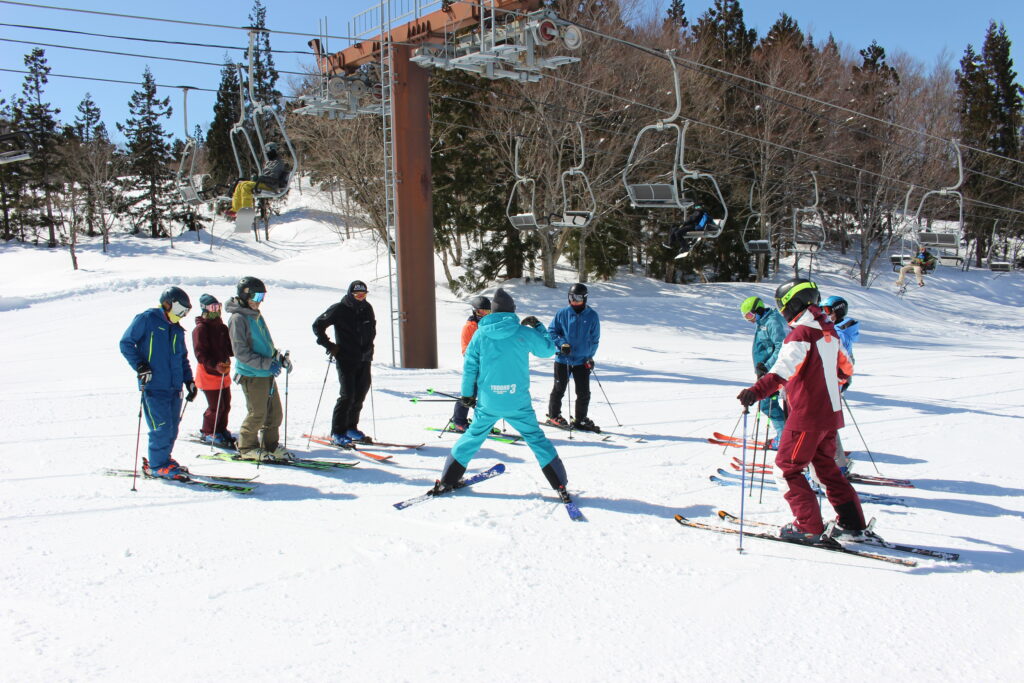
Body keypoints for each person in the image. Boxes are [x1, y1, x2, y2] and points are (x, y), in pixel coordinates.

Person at [736, 278, 867, 544]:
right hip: (829, 414)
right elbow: (846, 369)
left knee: (786, 469)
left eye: (782, 305)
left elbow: (781, 372)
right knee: (826, 470)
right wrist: (828, 385)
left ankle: (808, 526)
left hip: (807, 416)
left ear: (793, 304)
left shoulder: (801, 334)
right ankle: (852, 524)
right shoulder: (829, 331)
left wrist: (755, 391)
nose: (781, 311)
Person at [432, 288, 572, 499]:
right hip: (518, 402)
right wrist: (538, 327)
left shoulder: (480, 334)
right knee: (536, 438)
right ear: (512, 310)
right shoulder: (523, 332)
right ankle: (559, 484)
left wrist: (467, 394)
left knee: (473, 437)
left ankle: (447, 481)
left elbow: (470, 367)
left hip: (488, 401)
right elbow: (547, 350)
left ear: (493, 311)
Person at [119, 286, 198, 479]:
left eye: (185, 312)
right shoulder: (147, 319)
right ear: (167, 304)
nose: (182, 315)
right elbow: (126, 343)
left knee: (172, 428)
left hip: (174, 387)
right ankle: (156, 465)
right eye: (180, 310)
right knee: (161, 428)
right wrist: (140, 366)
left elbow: (182, 358)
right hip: (154, 386)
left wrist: (189, 381)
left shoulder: (177, 330)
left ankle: (164, 460)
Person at [226, 276, 294, 461]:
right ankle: (247, 447)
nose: (260, 301)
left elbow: (266, 344)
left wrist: (278, 358)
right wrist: (267, 364)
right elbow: (241, 353)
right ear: (244, 295)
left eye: (262, 297)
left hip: (266, 372)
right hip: (252, 374)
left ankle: (270, 445)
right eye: (256, 297)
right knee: (257, 413)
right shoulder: (238, 319)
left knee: (275, 413)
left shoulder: (255, 315)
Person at [312, 280, 376, 446]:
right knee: (348, 395)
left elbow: (372, 330)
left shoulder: (367, 308)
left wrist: (369, 348)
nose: (360, 297)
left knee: (360, 394)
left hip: (364, 358)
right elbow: (318, 325)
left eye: (363, 294)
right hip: (346, 358)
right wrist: (329, 345)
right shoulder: (339, 309)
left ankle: (350, 427)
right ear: (350, 294)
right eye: (357, 295)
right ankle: (338, 432)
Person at [546, 283, 601, 432]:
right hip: (563, 359)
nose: (574, 301)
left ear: (585, 298)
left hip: (582, 361)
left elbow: (595, 339)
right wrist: (562, 344)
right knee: (559, 389)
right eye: (571, 297)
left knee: (584, 393)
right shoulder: (562, 313)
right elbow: (552, 331)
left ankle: (580, 419)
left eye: (578, 298)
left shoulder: (592, 315)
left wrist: (590, 357)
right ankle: (554, 415)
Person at [739, 295, 787, 449]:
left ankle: (784, 438)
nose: (749, 320)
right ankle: (786, 436)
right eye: (746, 317)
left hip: (772, 372)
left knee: (768, 404)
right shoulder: (762, 322)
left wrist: (766, 366)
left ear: (758, 310)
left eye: (749, 315)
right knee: (768, 404)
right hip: (764, 371)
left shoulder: (772, 322)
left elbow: (781, 347)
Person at [822, 294, 861, 473]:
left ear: (838, 311)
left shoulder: (840, 333)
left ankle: (839, 464)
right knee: (824, 424)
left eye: (827, 310)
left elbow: (839, 361)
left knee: (825, 425)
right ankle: (834, 461)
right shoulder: (835, 329)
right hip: (830, 382)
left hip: (832, 383)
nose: (824, 313)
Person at [192, 293, 234, 447]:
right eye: (212, 307)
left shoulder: (222, 327)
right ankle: (208, 431)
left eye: (218, 306)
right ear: (204, 309)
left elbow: (229, 349)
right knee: (216, 406)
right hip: (208, 374)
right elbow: (200, 355)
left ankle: (220, 429)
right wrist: (215, 365)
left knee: (226, 405)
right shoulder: (201, 329)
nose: (216, 310)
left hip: (223, 373)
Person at [451, 295, 491, 433]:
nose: (484, 315)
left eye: (487, 312)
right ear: (475, 311)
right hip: (474, 367)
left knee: (487, 396)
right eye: (481, 312)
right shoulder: (469, 327)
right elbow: (466, 350)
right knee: (469, 393)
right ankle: (458, 422)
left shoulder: (490, 326)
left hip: (488, 367)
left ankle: (482, 422)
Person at [230, 142, 291, 214]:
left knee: (246, 187)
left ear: (274, 150)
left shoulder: (278, 163)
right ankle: (235, 209)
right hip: (264, 183)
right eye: (265, 151)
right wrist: (258, 178)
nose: (266, 152)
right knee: (240, 184)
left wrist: (262, 178)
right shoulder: (269, 162)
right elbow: (265, 174)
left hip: (270, 185)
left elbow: (272, 176)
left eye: (267, 150)